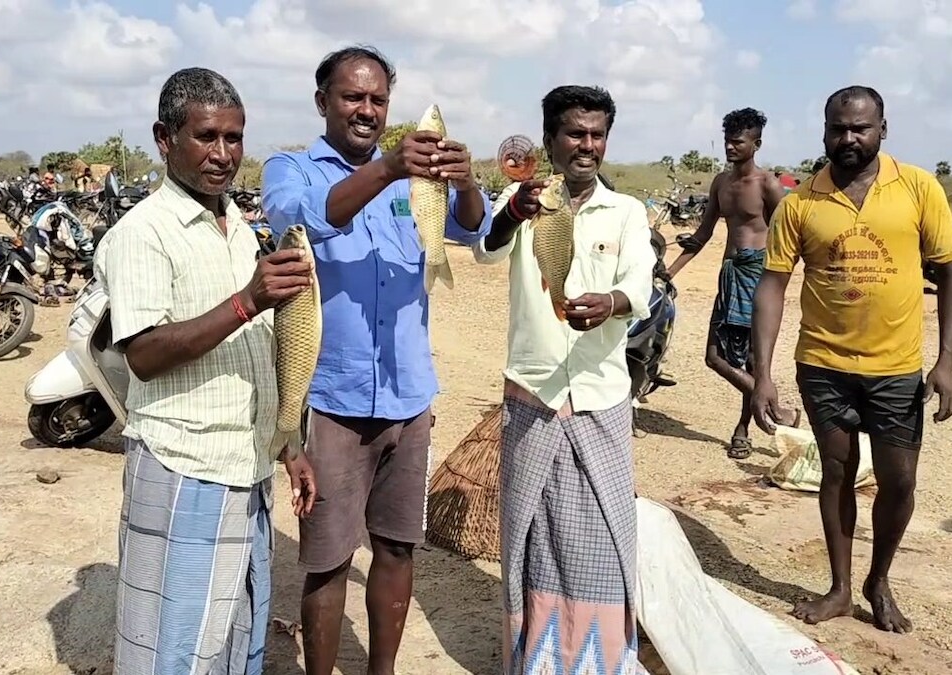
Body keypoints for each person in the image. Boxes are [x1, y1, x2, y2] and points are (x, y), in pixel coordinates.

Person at [260, 45, 491, 675]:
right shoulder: (292, 168)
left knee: (395, 546)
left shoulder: (415, 176)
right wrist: (387, 169)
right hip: (332, 399)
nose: (366, 109)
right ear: (323, 102)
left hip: (408, 396)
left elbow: (472, 229)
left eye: (378, 99)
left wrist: (466, 182)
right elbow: (301, 216)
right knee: (327, 559)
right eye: (352, 97)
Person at [95, 66, 318, 674]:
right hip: (184, 465)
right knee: (179, 642)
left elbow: (264, 349)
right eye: (207, 137)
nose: (224, 154)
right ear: (165, 140)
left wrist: (288, 444)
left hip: (244, 465)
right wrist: (249, 300)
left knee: (234, 630)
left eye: (235, 138)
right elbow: (142, 353)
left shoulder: (238, 226)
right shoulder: (142, 233)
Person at [750, 85, 952, 633]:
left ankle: (879, 579)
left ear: (882, 129)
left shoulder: (918, 188)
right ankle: (843, 589)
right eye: (838, 128)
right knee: (836, 473)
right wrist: (762, 374)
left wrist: (944, 361)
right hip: (823, 364)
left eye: (860, 128)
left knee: (900, 482)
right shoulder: (800, 202)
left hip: (896, 368)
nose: (848, 138)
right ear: (824, 131)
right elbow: (773, 285)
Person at [472, 85, 655, 674]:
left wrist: (613, 302)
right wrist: (511, 215)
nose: (587, 146)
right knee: (530, 533)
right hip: (533, 393)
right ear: (551, 138)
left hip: (600, 396)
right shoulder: (525, 200)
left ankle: (597, 662)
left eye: (597, 135)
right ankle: (537, 659)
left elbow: (642, 287)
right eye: (576, 133)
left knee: (602, 531)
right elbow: (486, 251)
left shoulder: (624, 211)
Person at [665, 107, 800, 459]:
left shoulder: (768, 185)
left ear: (756, 144)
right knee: (715, 356)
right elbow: (703, 234)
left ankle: (743, 429)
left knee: (755, 359)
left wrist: (780, 280)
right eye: (727, 140)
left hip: (759, 274)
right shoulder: (721, 183)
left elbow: (790, 233)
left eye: (737, 141)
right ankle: (772, 406)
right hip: (730, 274)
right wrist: (669, 271)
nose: (730, 147)